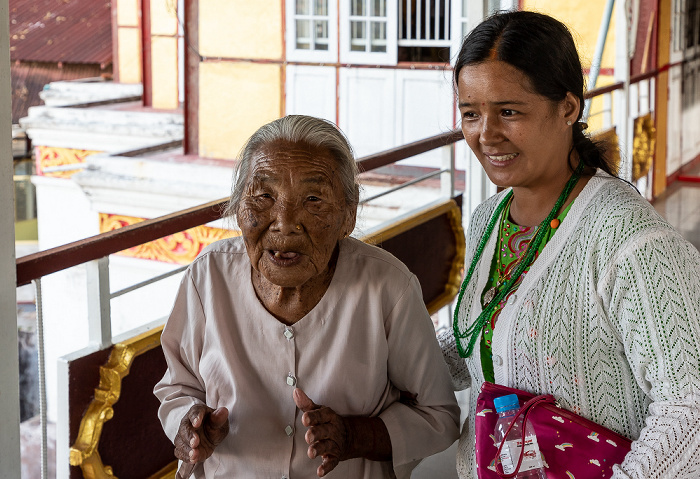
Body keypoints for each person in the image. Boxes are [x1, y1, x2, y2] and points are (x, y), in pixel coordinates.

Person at [438, 10, 700, 479]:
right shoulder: (489, 219)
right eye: (471, 113)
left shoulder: (629, 240)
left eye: (509, 111)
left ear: (568, 107)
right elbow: (480, 337)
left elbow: (690, 407)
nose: (486, 134)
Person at [153, 114, 460, 478]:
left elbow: (439, 416)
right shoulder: (207, 277)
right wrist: (189, 425)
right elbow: (178, 387)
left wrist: (354, 436)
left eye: (313, 199)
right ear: (238, 207)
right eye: (264, 196)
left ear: (349, 214)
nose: (284, 221)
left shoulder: (387, 287)